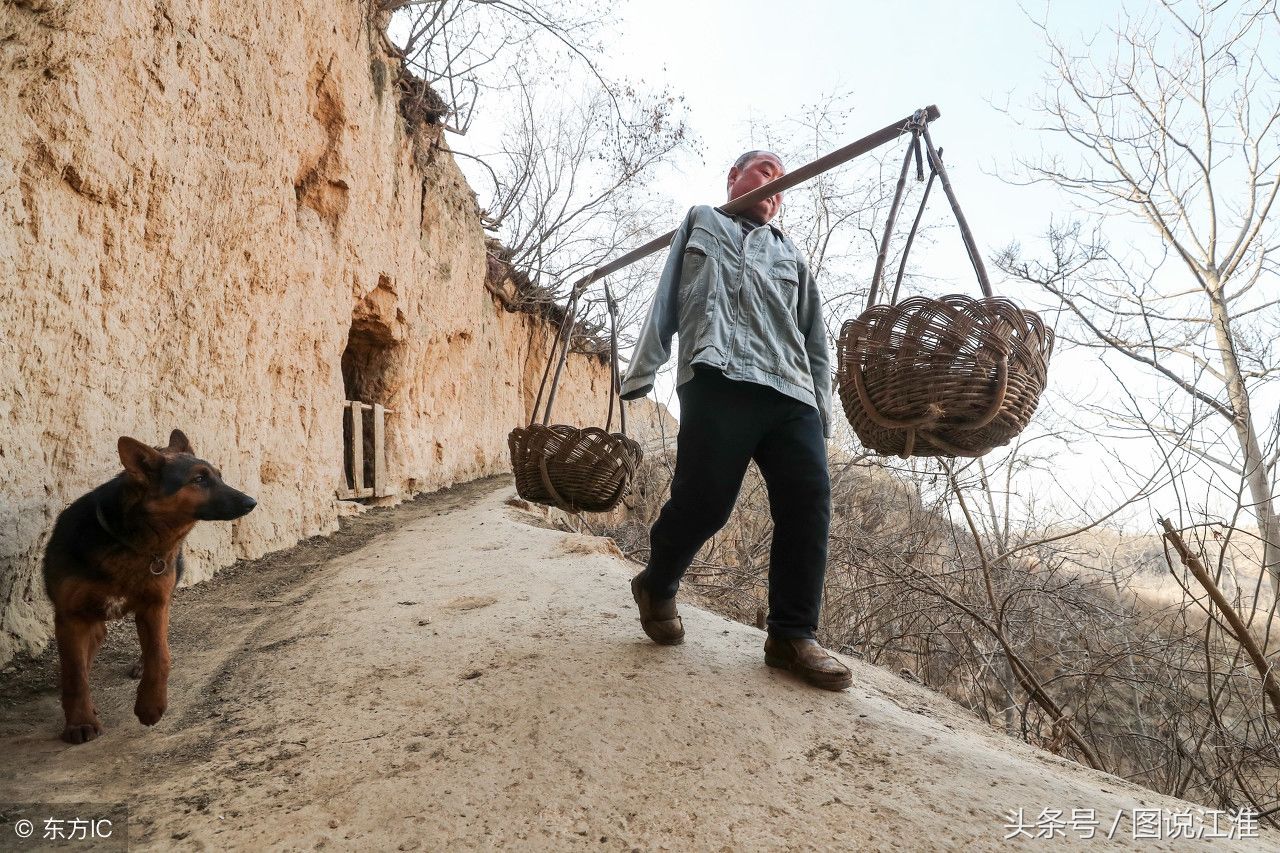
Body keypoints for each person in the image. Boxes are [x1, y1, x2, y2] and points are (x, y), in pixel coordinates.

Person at [620, 150, 852, 691]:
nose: (777, 185)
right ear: (735, 178)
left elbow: (815, 340)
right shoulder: (702, 220)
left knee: (808, 501)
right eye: (768, 173)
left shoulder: (791, 254)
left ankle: (791, 635)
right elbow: (666, 297)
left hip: (790, 389)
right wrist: (642, 371)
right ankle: (657, 582)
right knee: (705, 503)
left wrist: (821, 416)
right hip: (718, 375)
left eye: (783, 183)